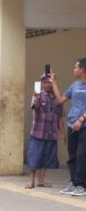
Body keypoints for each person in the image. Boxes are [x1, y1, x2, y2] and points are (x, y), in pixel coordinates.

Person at [52, 58, 86, 196]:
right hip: (72, 124)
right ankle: (73, 182)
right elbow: (60, 100)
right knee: (72, 155)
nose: (74, 70)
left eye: (76, 67)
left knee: (82, 155)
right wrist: (54, 82)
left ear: (83, 69)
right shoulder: (75, 85)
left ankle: (81, 185)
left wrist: (82, 119)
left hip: (84, 126)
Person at [26, 73, 63, 189]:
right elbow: (35, 107)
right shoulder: (38, 95)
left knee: (45, 158)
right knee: (34, 157)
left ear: (53, 83)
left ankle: (41, 180)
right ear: (41, 83)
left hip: (51, 133)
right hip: (38, 132)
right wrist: (37, 99)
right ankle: (31, 181)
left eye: (49, 82)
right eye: (45, 82)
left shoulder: (57, 98)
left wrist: (63, 134)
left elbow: (60, 116)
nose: (47, 84)